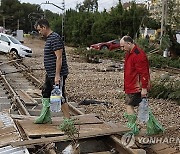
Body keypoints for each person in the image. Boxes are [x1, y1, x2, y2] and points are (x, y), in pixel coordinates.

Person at [120, 36, 164, 135]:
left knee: (129, 105)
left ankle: (132, 128)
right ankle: (154, 127)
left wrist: (144, 88)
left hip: (136, 86)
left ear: (129, 43)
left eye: (123, 46)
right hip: (132, 84)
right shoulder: (129, 54)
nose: (122, 49)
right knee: (143, 106)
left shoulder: (138, 55)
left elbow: (144, 73)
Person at [34, 19, 70, 124]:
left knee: (59, 95)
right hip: (50, 73)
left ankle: (68, 120)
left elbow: (59, 57)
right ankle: (45, 117)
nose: (39, 32)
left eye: (40, 30)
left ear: (44, 27)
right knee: (46, 92)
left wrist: (57, 75)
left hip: (57, 74)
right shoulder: (49, 39)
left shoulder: (55, 38)